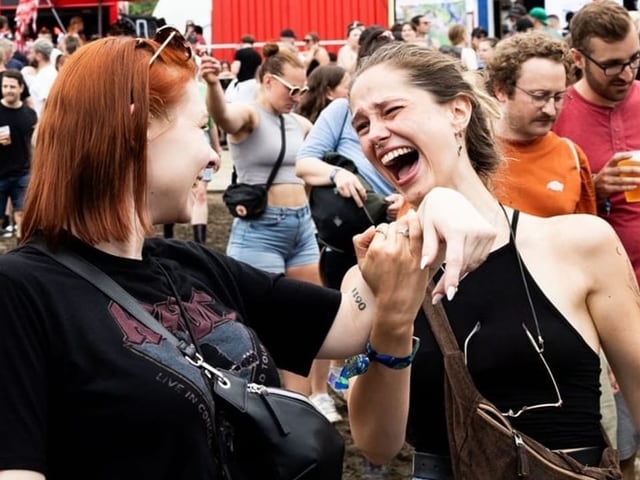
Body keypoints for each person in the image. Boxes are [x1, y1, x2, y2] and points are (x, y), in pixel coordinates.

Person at [0, 28, 496, 480]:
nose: (213, 156)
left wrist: (431, 207)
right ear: (135, 129)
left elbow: (348, 326)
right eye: (199, 130)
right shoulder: (20, 290)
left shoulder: (192, 264)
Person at [346, 41, 640, 479]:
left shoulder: (582, 243)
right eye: (363, 124)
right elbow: (377, 444)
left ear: (458, 111)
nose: (375, 134)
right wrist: (392, 317)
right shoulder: (375, 270)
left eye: (391, 111)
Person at [552, 2, 640, 477]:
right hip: (597, 300)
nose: (625, 73)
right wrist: (593, 189)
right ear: (577, 58)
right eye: (611, 64)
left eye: (633, 60)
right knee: (620, 439)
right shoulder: (557, 113)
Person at [485, 31, 596, 217]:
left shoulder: (572, 156)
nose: (550, 110)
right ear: (501, 91)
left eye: (559, 97)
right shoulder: (470, 154)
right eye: (539, 96)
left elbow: (588, 238)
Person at [0, 69, 37, 240]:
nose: (8, 90)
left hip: (23, 173)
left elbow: (35, 144)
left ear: (21, 88)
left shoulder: (29, 115)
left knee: (22, 214)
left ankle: (21, 250)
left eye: (12, 86)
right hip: (0, 173)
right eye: (5, 86)